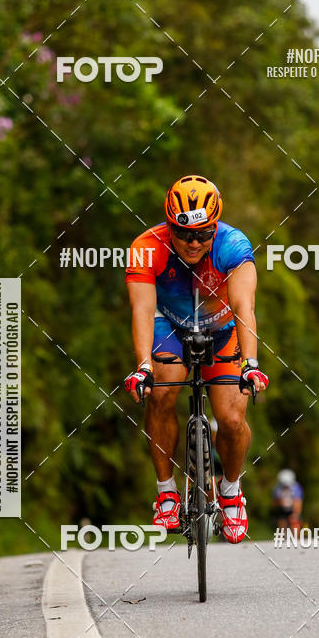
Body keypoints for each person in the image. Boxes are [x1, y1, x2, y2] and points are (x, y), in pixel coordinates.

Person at [124, 175, 269, 543]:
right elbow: (142, 309)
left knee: (231, 418)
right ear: (169, 225)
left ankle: (231, 490)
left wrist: (251, 365)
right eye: (183, 233)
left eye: (203, 233)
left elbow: (244, 307)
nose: (193, 242)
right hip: (169, 324)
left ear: (215, 226)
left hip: (223, 329)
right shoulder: (146, 247)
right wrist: (143, 366)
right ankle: (166, 493)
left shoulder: (233, 245)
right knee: (161, 391)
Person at [272, 469, 303, 534]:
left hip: (293, 509)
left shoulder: (296, 488)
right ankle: (282, 536)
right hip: (282, 510)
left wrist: (295, 514)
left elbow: (298, 503)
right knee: (281, 523)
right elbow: (274, 503)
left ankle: (296, 538)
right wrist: (280, 503)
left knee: (295, 522)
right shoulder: (277, 489)